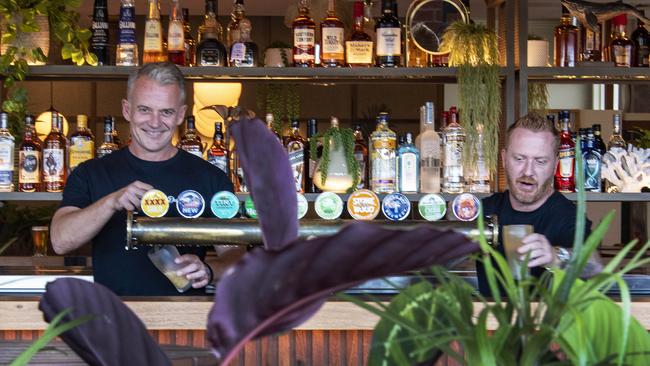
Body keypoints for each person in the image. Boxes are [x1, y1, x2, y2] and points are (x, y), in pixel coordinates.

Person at [51, 62, 236, 296]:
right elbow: (60, 241)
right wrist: (111, 202)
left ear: (180, 114)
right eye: (145, 110)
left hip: (183, 325)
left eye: (166, 112)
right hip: (113, 321)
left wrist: (209, 270)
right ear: (127, 110)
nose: (155, 122)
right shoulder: (91, 173)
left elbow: (237, 259)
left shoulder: (210, 178)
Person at [478, 113, 603, 295]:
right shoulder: (485, 210)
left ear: (555, 166)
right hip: (492, 322)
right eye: (519, 159)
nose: (528, 171)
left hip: (546, 321)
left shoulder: (568, 217)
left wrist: (555, 256)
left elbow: (594, 266)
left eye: (540, 161)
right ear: (504, 159)